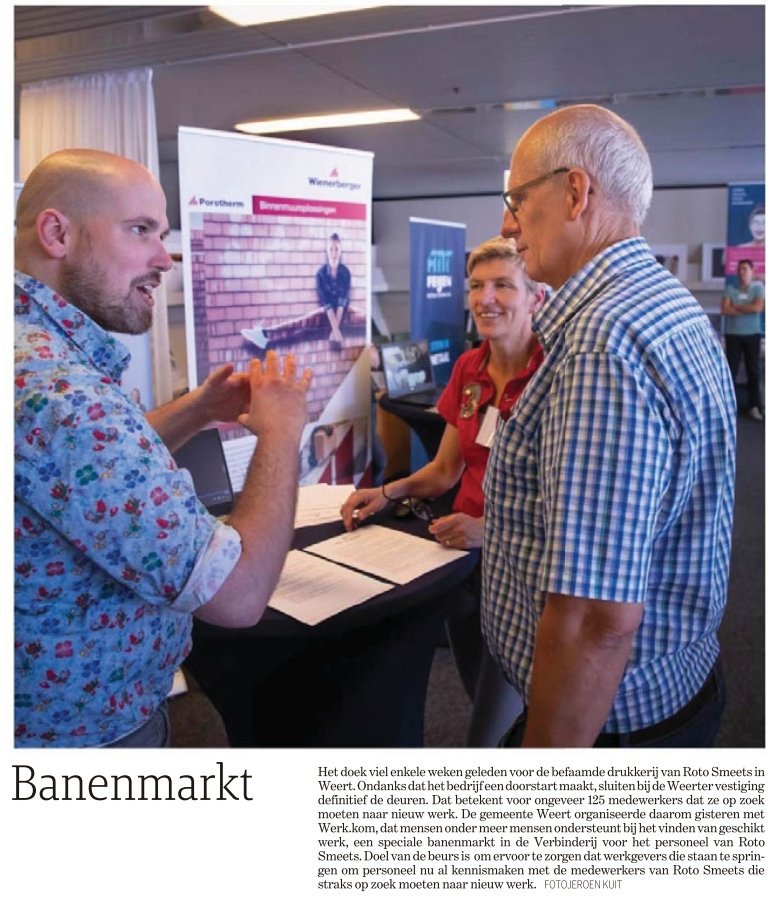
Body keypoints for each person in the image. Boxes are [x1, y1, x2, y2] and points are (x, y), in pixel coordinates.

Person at [15, 148, 312, 748]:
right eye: (140, 230)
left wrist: (198, 411)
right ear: (56, 233)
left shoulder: (33, 357)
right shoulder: (62, 392)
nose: (163, 259)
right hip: (86, 740)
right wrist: (281, 433)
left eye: (163, 233)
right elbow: (238, 595)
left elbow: (78, 480)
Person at [486, 104, 736, 748]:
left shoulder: (603, 343)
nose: (507, 223)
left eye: (517, 198)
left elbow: (596, 614)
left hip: (608, 724)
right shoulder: (665, 300)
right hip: (668, 690)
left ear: (575, 192)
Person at [340, 237, 545, 746]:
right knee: (481, 687)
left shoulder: (555, 374)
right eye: (477, 285)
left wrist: (490, 530)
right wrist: (389, 490)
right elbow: (446, 469)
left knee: (525, 709)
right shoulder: (469, 369)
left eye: (503, 285)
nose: (486, 298)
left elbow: (573, 497)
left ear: (535, 298)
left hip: (528, 565)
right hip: (466, 560)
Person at [722, 258, 765, 421]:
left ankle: (754, 406)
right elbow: (725, 309)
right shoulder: (730, 288)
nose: (742, 272)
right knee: (730, 370)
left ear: (752, 272)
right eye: (740, 269)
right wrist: (747, 308)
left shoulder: (758, 288)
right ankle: (727, 406)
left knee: (753, 371)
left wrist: (736, 307)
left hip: (752, 334)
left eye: (745, 269)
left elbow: (758, 308)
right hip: (733, 334)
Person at [317, 232, 351, 350]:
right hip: (328, 313)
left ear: (340, 251)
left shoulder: (345, 272)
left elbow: (342, 301)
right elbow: (326, 303)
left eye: (336, 249)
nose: (334, 253)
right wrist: (336, 332)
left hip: (341, 312)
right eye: (331, 249)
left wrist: (335, 332)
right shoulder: (320, 274)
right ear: (327, 251)